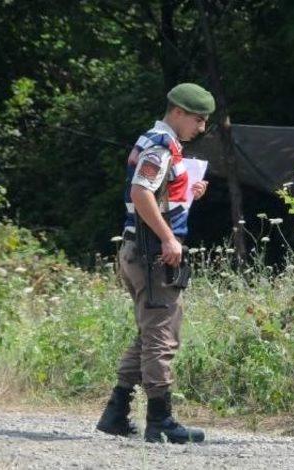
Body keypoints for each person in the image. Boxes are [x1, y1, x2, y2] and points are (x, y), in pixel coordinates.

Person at [96, 83, 215, 444]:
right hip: (152, 254)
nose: (202, 128)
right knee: (162, 338)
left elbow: (156, 193)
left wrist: (187, 192)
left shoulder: (156, 143)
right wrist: (168, 238)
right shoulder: (161, 147)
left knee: (149, 334)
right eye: (198, 119)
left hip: (139, 250)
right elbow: (140, 192)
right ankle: (160, 420)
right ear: (177, 112)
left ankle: (116, 412)